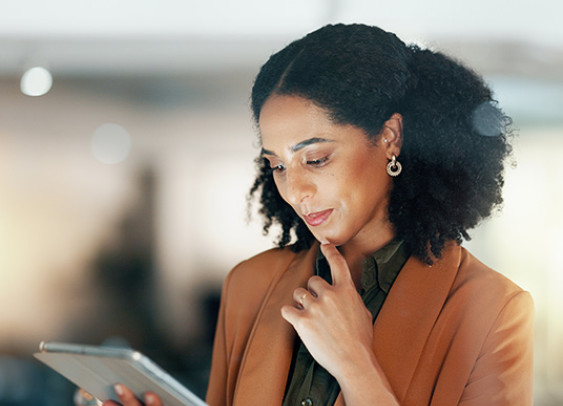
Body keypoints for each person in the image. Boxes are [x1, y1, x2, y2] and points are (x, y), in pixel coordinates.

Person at [104, 23, 534, 406]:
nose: (294, 190)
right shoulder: (249, 287)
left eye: (315, 158)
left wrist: (355, 365)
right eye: (276, 165)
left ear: (390, 137)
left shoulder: (493, 310)